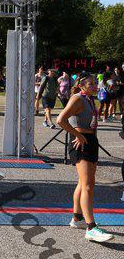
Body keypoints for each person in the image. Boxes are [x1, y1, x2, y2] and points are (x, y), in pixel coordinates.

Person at [56, 72, 114, 242]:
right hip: (80, 142)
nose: (95, 86)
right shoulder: (77, 99)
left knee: (85, 183)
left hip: (90, 141)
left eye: (95, 83)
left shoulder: (89, 99)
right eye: (90, 84)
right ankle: (91, 227)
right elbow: (60, 120)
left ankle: (77, 218)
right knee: (88, 185)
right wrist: (78, 135)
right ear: (81, 85)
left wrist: (92, 140)